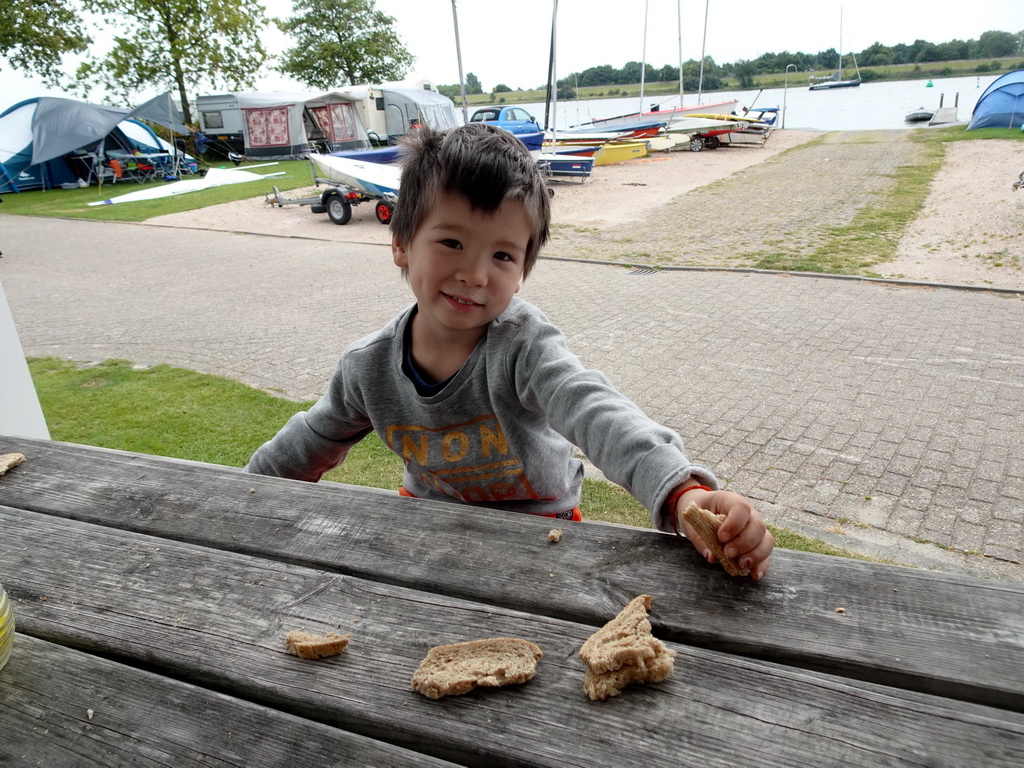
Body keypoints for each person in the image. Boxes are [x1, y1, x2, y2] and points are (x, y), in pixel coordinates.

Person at [246, 123, 774, 579]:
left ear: (522, 271)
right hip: (424, 525)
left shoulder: (523, 345)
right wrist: (244, 491)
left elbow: (593, 408)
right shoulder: (368, 367)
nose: (475, 274)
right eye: (452, 242)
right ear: (401, 243)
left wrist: (682, 493)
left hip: (543, 533)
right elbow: (313, 438)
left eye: (502, 254)